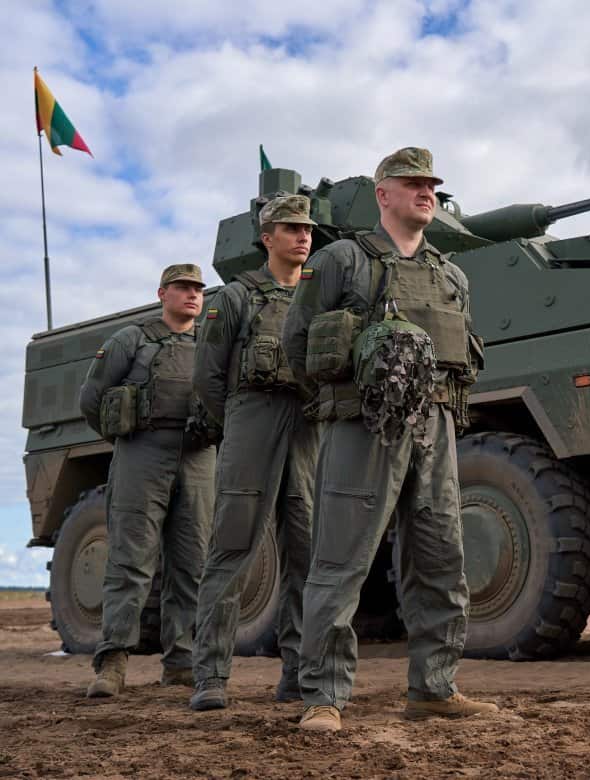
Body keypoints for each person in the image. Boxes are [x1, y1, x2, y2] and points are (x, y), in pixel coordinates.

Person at [281, 147, 492, 732]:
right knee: (340, 561)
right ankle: (323, 695)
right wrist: (344, 404)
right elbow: (299, 347)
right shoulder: (342, 262)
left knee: (441, 558)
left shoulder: (451, 275)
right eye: (412, 184)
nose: (426, 192)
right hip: (362, 427)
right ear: (384, 194)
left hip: (437, 426)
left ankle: (434, 687)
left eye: (431, 185)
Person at [188, 195, 321, 711]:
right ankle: (211, 676)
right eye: (291, 228)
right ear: (267, 237)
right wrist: (241, 423)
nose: (303, 236)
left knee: (307, 553)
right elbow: (208, 375)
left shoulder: (315, 297)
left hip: (306, 429)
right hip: (251, 418)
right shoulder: (237, 296)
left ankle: (298, 674)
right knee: (233, 547)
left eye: (307, 229)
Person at [79, 264, 217, 698]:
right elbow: (91, 399)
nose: (192, 295)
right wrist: (127, 436)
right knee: (130, 562)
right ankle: (113, 663)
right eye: (182, 288)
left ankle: (181, 661)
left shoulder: (211, 344)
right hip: (142, 453)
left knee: (192, 564)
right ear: (162, 293)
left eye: (197, 289)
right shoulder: (131, 339)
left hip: (198, 458)